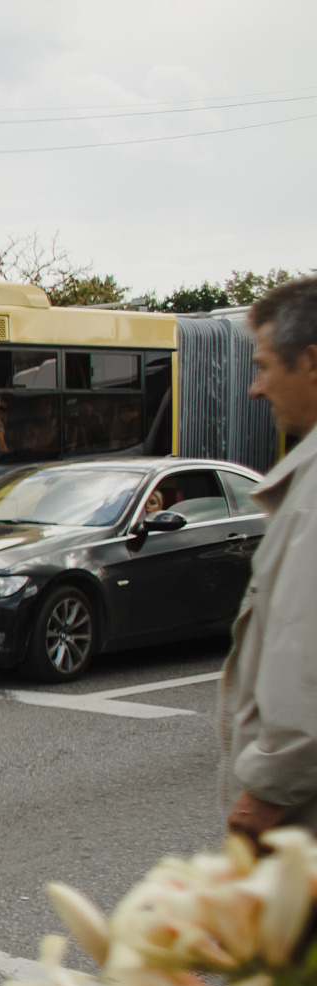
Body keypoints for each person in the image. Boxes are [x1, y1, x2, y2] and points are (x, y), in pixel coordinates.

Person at [224, 275, 317, 842]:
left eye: (262, 366)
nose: (255, 389)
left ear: (311, 361)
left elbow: (305, 652)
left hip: (294, 830)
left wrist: (263, 797)